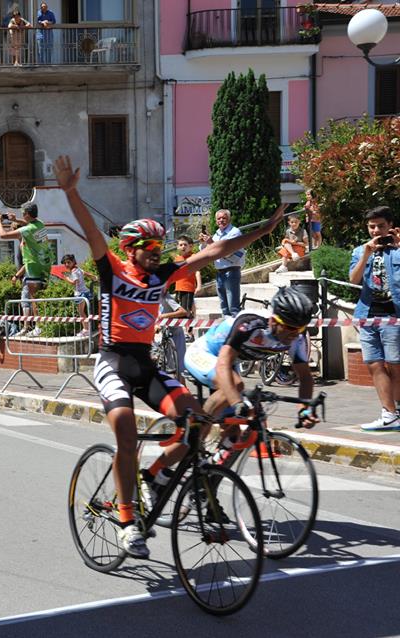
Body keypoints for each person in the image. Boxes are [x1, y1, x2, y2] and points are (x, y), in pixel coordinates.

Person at [54, 154, 284, 558]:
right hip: (112, 361)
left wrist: (265, 230)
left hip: (144, 363)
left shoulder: (162, 275)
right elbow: (91, 232)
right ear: (131, 248)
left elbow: (213, 252)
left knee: (196, 420)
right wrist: (71, 192)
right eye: (151, 246)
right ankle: (127, 521)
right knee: (125, 430)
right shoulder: (112, 269)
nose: (158, 252)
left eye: (161, 245)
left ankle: (154, 475)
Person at [184, 287, 319, 433]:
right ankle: (194, 438)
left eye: (300, 329)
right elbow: (223, 364)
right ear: (274, 321)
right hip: (203, 353)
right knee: (236, 385)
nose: (295, 334)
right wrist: (237, 403)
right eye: (290, 328)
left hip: (229, 365)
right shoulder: (250, 322)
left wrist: (304, 410)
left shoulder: (297, 338)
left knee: (233, 434)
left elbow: (305, 377)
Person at [350, 205, 400, 431]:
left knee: (395, 365)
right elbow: (354, 279)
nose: (376, 231)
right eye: (372, 227)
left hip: (393, 314)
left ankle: (397, 409)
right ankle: (389, 414)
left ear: (390, 225)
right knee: (374, 364)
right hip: (368, 314)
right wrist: (367, 254)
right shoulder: (361, 250)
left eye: (381, 226)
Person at [0, 203, 54, 337]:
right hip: (45, 262)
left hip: (34, 265)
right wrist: (15, 220)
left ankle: (39, 327)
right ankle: (42, 326)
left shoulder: (26, 230)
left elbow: (3, 235)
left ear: (27, 214)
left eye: (23, 213)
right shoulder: (40, 224)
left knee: (34, 298)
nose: (22, 215)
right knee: (41, 296)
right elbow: (28, 223)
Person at [199, 209, 245, 317]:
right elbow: (206, 253)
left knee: (233, 307)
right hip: (220, 272)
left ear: (229, 219)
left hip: (231, 271)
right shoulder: (216, 235)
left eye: (224, 218)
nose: (221, 220)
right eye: (219, 218)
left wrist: (212, 243)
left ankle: (235, 330)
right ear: (215, 221)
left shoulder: (234, 232)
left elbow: (228, 251)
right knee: (224, 307)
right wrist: (204, 244)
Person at [61, 253, 96, 336]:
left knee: (81, 312)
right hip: (85, 292)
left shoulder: (73, 271)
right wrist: (94, 277)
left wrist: (66, 278)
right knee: (83, 312)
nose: (67, 264)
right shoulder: (78, 269)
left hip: (80, 293)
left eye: (68, 262)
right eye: (65, 263)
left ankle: (86, 329)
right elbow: (86, 273)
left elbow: (74, 282)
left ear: (73, 262)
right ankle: (87, 328)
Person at [172, 236, 201, 321]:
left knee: (185, 311)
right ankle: (186, 328)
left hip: (188, 288)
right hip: (178, 288)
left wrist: (199, 285)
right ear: (177, 247)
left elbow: (197, 271)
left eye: (185, 245)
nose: (183, 247)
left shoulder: (193, 256)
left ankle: (189, 329)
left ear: (191, 246)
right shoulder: (177, 258)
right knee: (179, 310)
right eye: (181, 245)